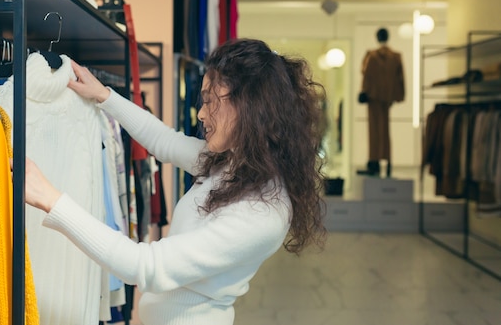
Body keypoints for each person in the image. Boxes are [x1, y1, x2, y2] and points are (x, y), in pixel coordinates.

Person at [23, 38, 327, 325]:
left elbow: (144, 265)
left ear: (249, 106)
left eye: (210, 101)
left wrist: (52, 200)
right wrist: (104, 95)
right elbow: (164, 140)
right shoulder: (236, 163)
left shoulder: (263, 211)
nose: (201, 113)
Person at [357, 27, 405, 177]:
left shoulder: (371, 56)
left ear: (377, 38)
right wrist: (398, 95)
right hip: (387, 98)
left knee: (374, 130)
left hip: (373, 97)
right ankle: (388, 161)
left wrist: (364, 91)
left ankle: (374, 161)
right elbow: (400, 78)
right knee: (385, 130)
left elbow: (366, 74)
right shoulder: (396, 57)